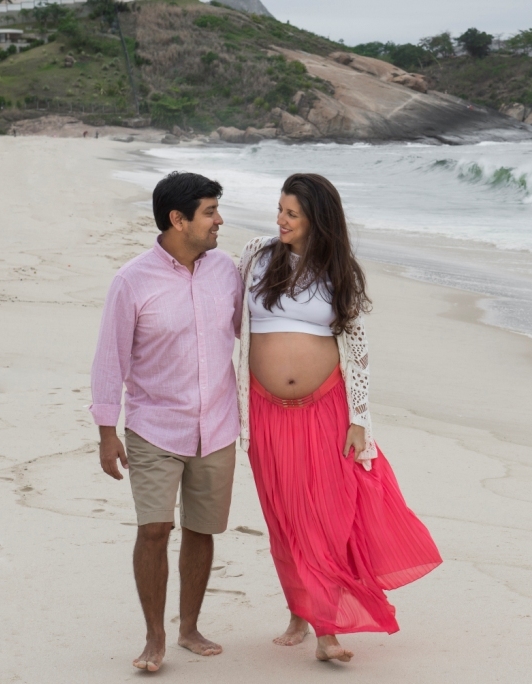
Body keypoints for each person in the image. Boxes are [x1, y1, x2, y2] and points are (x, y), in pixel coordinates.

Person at [237, 173, 442, 663]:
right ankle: (299, 610)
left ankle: (327, 629)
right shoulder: (254, 257)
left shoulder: (338, 270)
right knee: (284, 515)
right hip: (265, 410)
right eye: (280, 209)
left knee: (326, 515)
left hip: (327, 407)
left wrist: (360, 417)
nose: (280, 220)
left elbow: (358, 348)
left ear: (317, 220)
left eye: (292, 213)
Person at [90, 171, 243, 672]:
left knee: (202, 530)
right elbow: (109, 360)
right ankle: (154, 637)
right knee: (154, 530)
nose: (219, 220)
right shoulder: (131, 280)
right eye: (209, 211)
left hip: (218, 425)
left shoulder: (227, 272)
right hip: (154, 426)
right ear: (179, 220)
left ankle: (189, 627)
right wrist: (106, 432)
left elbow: (253, 336)